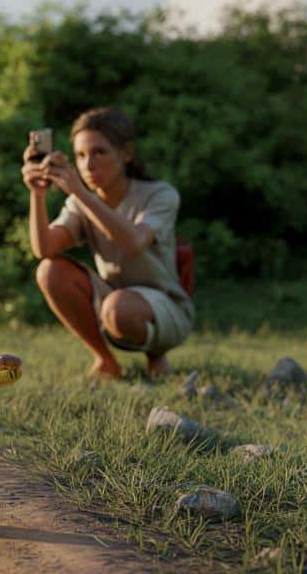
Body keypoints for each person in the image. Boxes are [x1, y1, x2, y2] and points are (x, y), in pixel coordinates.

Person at [22, 107, 194, 380]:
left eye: (99, 152)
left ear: (125, 153)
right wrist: (37, 195)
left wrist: (79, 191)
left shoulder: (160, 195)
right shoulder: (79, 203)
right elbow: (44, 249)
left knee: (118, 308)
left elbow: (135, 242)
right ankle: (105, 360)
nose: (88, 164)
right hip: (112, 298)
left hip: (167, 307)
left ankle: (156, 352)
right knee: (48, 269)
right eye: (80, 155)